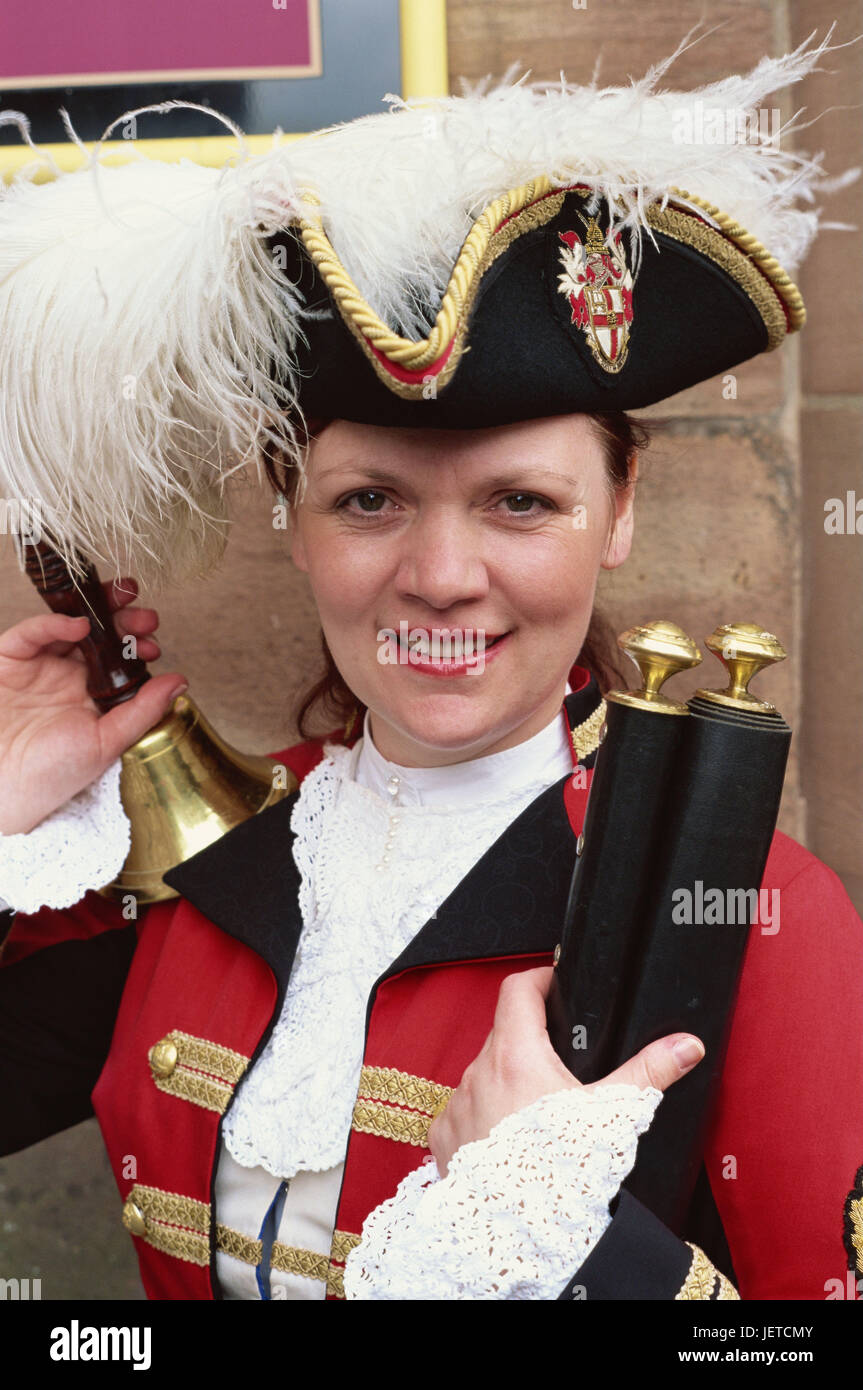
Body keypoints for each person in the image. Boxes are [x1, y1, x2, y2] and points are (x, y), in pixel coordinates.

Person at [0, 29, 861, 1302]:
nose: (442, 574)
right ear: (293, 515)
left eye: (519, 503)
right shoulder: (193, 862)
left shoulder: (753, 919)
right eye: (369, 503)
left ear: (618, 513)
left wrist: (576, 1247)